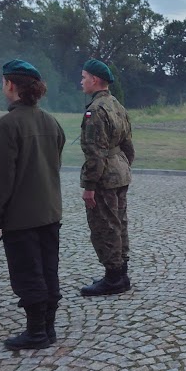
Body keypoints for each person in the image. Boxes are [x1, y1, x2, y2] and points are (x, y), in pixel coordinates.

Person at [0, 60, 65, 350]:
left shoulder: (5, 126)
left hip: (21, 216)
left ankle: (37, 332)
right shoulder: (51, 122)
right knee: (48, 270)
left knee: (28, 274)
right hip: (50, 212)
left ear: (10, 85)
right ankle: (48, 328)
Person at [79, 59, 134, 297]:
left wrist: (89, 186)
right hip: (119, 171)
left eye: (84, 77)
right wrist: (124, 166)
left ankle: (113, 278)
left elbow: (95, 152)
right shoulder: (116, 105)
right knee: (119, 223)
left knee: (105, 225)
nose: (81, 81)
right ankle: (121, 273)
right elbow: (128, 144)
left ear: (95, 80)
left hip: (105, 177)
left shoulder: (95, 110)